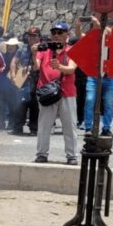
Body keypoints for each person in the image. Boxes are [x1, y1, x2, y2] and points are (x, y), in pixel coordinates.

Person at [34, 21, 78, 164]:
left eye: (60, 32)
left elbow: (71, 69)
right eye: (54, 33)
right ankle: (41, 153)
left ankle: (71, 155)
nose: (56, 35)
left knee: (69, 126)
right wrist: (33, 52)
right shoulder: (44, 49)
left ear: (67, 34)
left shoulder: (71, 50)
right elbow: (36, 67)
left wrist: (59, 67)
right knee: (44, 125)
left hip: (67, 92)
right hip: (48, 92)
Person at [10, 27, 42, 136]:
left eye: (34, 36)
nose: (31, 38)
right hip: (22, 79)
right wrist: (14, 76)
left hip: (37, 80)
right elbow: (14, 62)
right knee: (20, 105)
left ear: (39, 37)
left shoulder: (43, 48)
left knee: (35, 106)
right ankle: (18, 127)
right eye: (29, 36)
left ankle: (34, 128)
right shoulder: (22, 49)